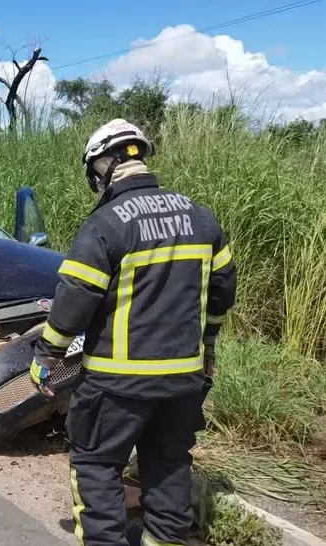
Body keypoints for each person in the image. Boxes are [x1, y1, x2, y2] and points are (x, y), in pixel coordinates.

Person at [28, 119, 237, 546]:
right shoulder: (202, 218)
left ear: (104, 166)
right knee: (168, 463)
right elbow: (222, 291)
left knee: (96, 465)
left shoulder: (106, 225)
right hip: (183, 380)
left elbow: (75, 298)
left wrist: (46, 356)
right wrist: (209, 345)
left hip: (117, 383)